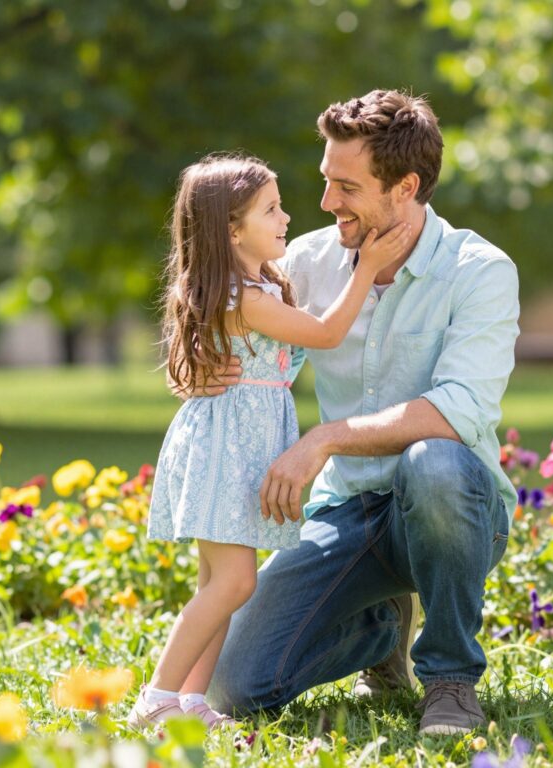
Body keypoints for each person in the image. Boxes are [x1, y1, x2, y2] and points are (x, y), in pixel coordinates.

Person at [205, 91, 521, 735]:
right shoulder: (307, 264)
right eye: (325, 181)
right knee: (236, 687)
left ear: (404, 187)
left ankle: (451, 680)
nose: (325, 203)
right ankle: (381, 633)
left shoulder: (480, 271)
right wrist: (213, 362)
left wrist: (324, 439)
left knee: (433, 462)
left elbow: (460, 410)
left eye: (345, 186)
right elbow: (233, 316)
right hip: (346, 512)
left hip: (453, 510)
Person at [126, 153, 411, 730]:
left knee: (220, 583)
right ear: (232, 231)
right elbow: (327, 333)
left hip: (235, 443)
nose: (288, 218)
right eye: (272, 210)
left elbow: (276, 353)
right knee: (234, 582)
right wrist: (365, 267)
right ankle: (156, 696)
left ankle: (192, 701)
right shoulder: (245, 298)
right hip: (226, 448)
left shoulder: (255, 286)